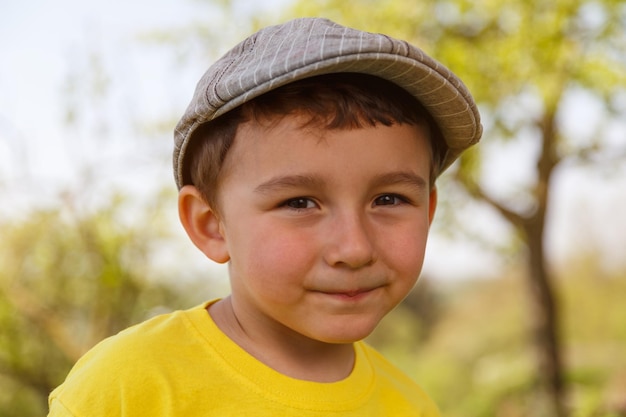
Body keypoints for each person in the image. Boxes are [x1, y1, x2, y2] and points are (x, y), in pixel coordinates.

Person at [48, 17, 482, 416]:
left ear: (428, 211)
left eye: (388, 199)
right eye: (299, 203)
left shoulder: (411, 407)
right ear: (210, 225)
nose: (354, 248)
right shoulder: (126, 388)